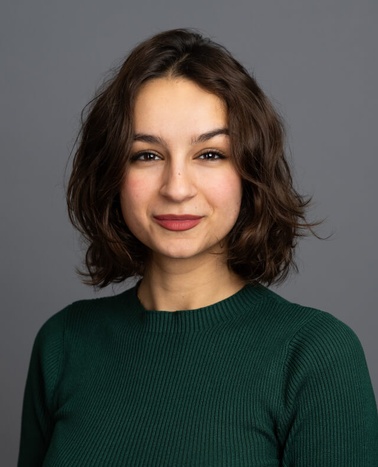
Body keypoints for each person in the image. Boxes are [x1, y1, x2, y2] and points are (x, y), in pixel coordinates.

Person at [18, 29, 378, 466]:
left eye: (210, 154)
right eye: (147, 155)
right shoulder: (63, 344)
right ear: (112, 172)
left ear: (249, 170)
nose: (177, 188)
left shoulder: (315, 356)